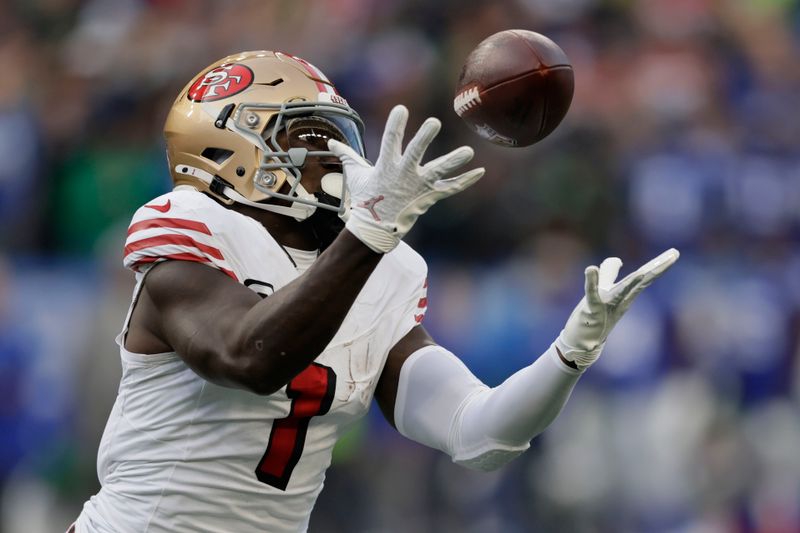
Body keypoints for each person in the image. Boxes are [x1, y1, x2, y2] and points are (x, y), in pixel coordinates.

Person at [73, 51, 679, 533]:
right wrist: (368, 232)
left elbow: (479, 434)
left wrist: (568, 356)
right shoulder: (187, 225)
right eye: (305, 136)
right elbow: (248, 357)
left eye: (336, 136)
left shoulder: (383, 268)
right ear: (228, 150)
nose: (332, 156)